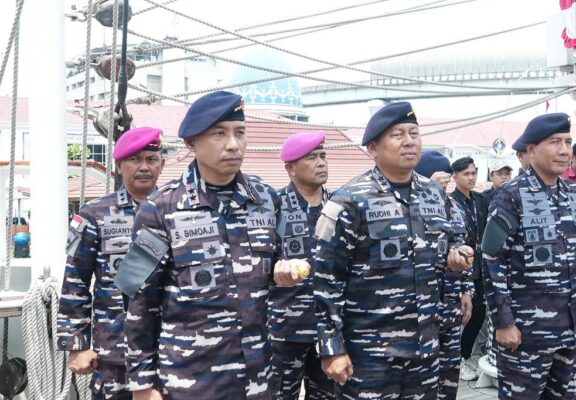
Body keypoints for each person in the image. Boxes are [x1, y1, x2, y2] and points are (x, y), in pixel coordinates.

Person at [115, 91, 303, 400]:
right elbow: (136, 300)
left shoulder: (267, 199)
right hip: (190, 380)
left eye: (240, 132)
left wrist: (282, 274)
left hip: (258, 379)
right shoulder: (158, 209)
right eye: (219, 134)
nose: (233, 144)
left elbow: (276, 263)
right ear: (191, 142)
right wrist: (143, 384)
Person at [314, 102, 474, 399]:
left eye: (414, 133)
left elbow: (447, 243)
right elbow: (326, 281)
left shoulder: (435, 194)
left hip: (425, 351)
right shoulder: (349, 201)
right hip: (369, 356)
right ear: (373, 148)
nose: (409, 141)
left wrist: (455, 256)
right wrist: (331, 348)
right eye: (398, 135)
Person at [482, 113, 576, 399]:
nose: (565, 150)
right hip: (526, 333)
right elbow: (493, 261)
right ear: (531, 150)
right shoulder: (510, 195)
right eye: (555, 142)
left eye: (568, 142)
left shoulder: (575, 194)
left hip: (570, 329)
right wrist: (504, 323)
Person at [58, 127, 165, 400]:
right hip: (115, 352)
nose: (144, 167)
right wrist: (76, 345)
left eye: (151, 159)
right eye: (134, 159)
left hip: (170, 350)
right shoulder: (92, 214)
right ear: (119, 165)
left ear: (162, 164)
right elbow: (75, 279)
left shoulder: (178, 212)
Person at [269, 131, 335, 399]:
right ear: (291, 168)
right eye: (311, 158)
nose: (321, 163)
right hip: (285, 330)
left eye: (323, 156)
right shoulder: (272, 208)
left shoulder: (340, 207)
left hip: (330, 330)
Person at [415, 151, 474, 400]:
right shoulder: (410, 206)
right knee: (421, 380)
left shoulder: (454, 208)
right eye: (439, 177)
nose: (445, 181)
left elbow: (464, 247)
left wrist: (467, 290)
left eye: (447, 177)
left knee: (449, 375)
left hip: (450, 306)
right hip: (419, 312)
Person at [450, 156, 490, 381]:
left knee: (480, 312)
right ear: (455, 177)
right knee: (461, 313)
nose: (471, 177)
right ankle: (456, 358)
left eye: (474, 173)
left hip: (481, 264)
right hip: (460, 266)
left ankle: (464, 354)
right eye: (466, 174)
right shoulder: (450, 202)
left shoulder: (481, 200)